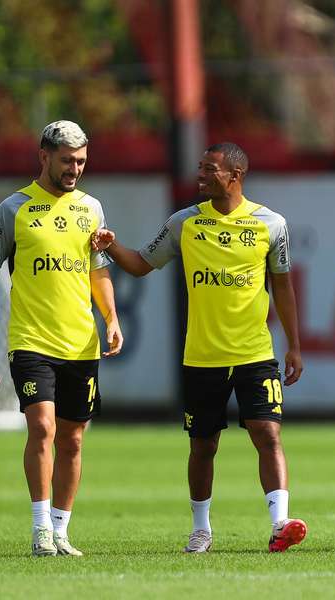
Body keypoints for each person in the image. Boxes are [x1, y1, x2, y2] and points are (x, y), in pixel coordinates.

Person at [91, 142, 306, 553]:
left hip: (255, 353)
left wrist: (294, 346)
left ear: (235, 176)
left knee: (268, 433)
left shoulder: (271, 224)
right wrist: (110, 245)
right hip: (202, 356)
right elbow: (139, 264)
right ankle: (201, 528)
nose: (200, 175)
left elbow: (282, 285)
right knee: (203, 444)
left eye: (209, 169)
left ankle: (280, 524)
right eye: (200, 168)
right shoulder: (184, 223)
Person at [0, 120, 123, 557]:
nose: (75, 169)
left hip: (81, 342)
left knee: (72, 438)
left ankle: (61, 529)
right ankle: (39, 531)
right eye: (68, 160)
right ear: (44, 157)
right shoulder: (13, 209)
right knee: (43, 426)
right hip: (31, 340)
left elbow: (98, 269)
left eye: (82, 161)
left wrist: (110, 317)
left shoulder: (92, 208)